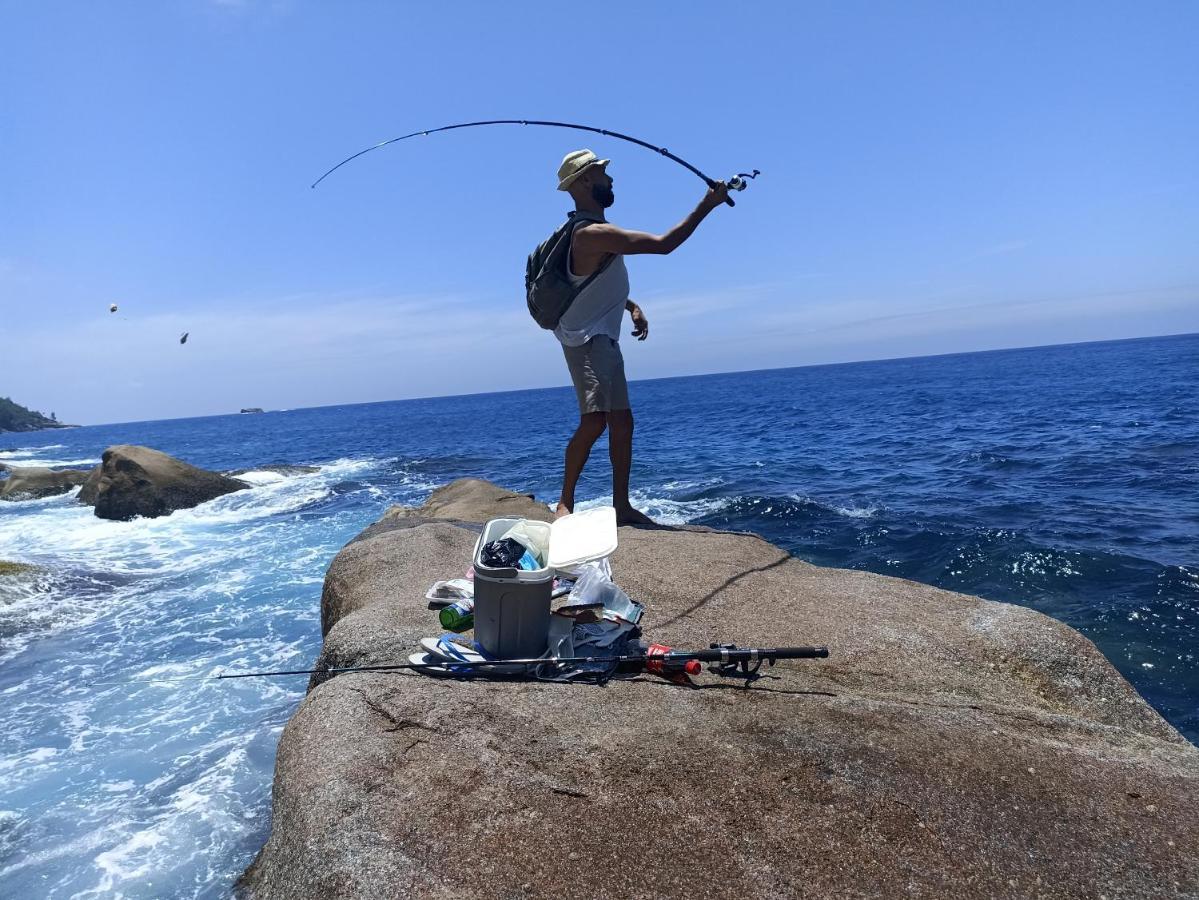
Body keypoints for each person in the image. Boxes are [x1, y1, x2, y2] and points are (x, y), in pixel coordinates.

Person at [552, 148, 730, 524]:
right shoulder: (590, 234)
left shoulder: (590, 234)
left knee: (622, 421)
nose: (610, 180)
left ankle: (621, 506)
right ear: (585, 181)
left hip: (604, 337)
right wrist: (708, 204)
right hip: (586, 340)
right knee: (595, 420)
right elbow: (664, 244)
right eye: (602, 174)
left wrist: (630, 305)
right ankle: (564, 502)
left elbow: (591, 285)